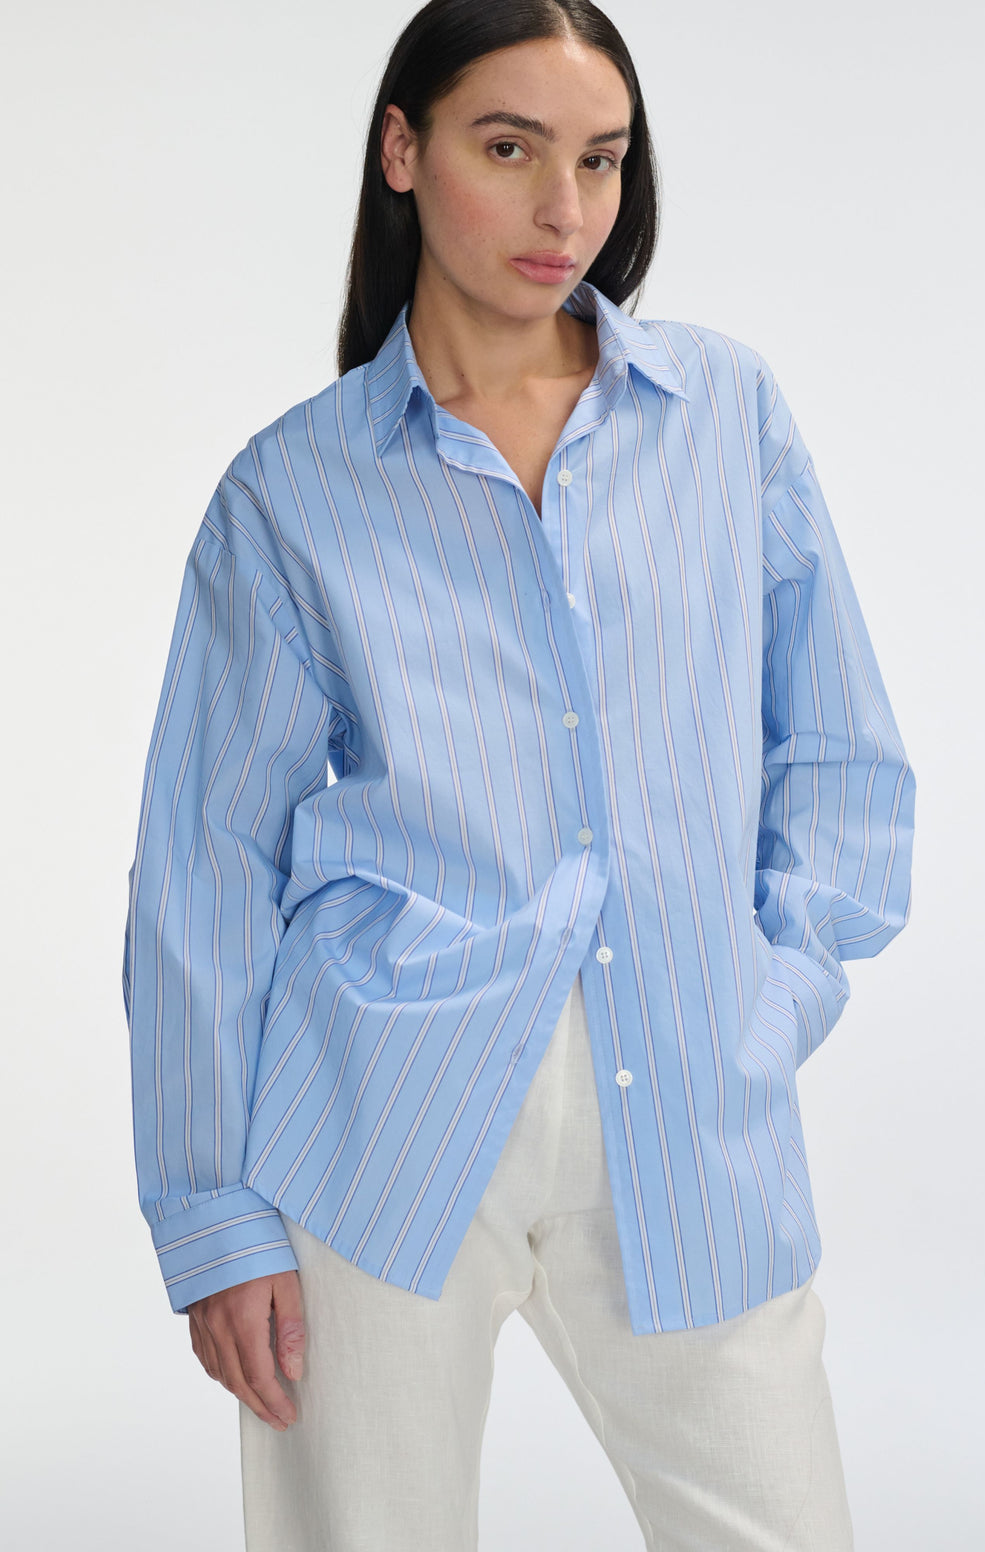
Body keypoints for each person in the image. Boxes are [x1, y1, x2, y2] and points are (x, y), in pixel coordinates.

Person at [122, 1, 915, 1547]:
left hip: (689, 1095)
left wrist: (772, 992)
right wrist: (213, 1215)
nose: (569, 211)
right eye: (512, 148)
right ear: (403, 150)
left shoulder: (724, 415)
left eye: (602, 160)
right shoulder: (293, 493)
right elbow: (208, 867)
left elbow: (839, 750)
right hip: (381, 1113)